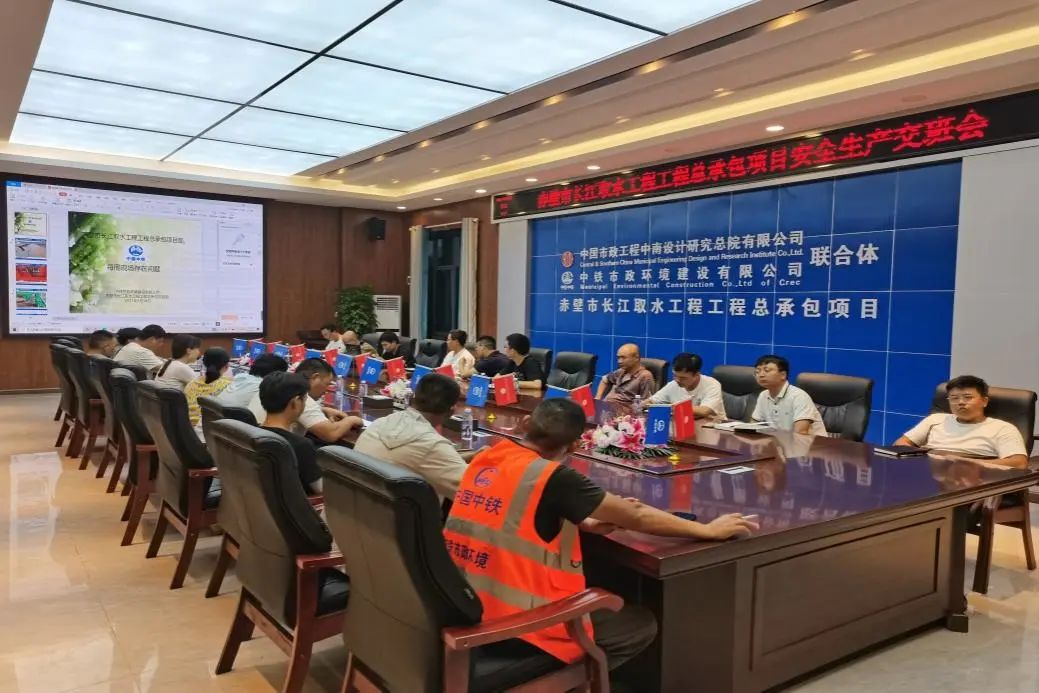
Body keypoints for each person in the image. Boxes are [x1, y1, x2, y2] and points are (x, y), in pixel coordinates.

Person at [443, 398, 758, 672]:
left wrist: (582, 519)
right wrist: (707, 529)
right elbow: (636, 516)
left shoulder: (488, 456)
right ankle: (568, 682)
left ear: (525, 423)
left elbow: (515, 512)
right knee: (638, 624)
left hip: (461, 604)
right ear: (576, 446)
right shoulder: (554, 477)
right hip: (514, 629)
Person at [354, 373, 476, 501]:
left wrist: (472, 458)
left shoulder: (380, 423)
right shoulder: (431, 445)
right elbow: (474, 488)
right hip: (399, 512)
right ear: (451, 411)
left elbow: (420, 458)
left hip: (357, 507)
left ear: (412, 397)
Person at [893, 375, 1028, 468]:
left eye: (967, 397)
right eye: (954, 398)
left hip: (975, 479)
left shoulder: (1002, 428)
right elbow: (900, 443)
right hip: (930, 474)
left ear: (984, 401)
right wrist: (926, 459)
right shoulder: (936, 419)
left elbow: (1019, 463)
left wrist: (969, 464)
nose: (960, 402)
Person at [247, 358, 364, 444]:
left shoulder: (273, 385)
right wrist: (351, 420)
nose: (327, 390)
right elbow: (330, 434)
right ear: (315, 378)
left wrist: (322, 409)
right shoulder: (300, 396)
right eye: (327, 384)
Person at [257, 372, 324, 495]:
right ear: (296, 402)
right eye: (305, 400)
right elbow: (322, 490)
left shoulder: (251, 433)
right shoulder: (300, 445)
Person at [750, 355, 827, 435]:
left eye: (767, 370)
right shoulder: (763, 395)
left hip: (813, 442)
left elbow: (800, 433)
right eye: (757, 371)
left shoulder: (799, 396)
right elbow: (753, 425)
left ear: (783, 375)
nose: (761, 375)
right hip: (781, 441)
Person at [647, 352, 726, 419]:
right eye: (675, 375)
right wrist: (642, 404)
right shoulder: (673, 384)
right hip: (684, 425)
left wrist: (674, 407)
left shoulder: (712, 384)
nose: (677, 380)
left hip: (713, 427)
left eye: (683, 378)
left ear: (696, 375)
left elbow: (704, 411)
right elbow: (651, 401)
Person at [216, 353, 288, 408]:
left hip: (218, 419)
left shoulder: (239, 377)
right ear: (277, 374)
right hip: (235, 421)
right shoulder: (264, 387)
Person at [184, 347, 232, 427]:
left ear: (204, 363)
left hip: (186, 427)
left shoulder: (191, 384)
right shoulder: (229, 385)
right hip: (206, 429)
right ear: (227, 366)